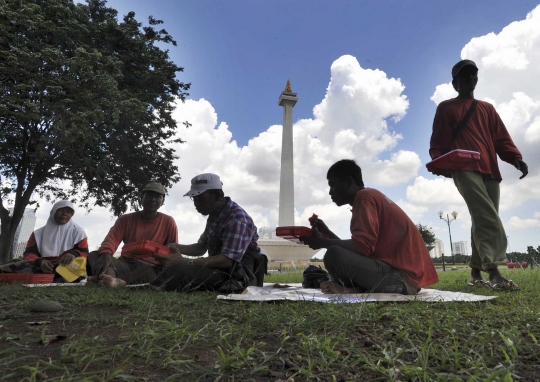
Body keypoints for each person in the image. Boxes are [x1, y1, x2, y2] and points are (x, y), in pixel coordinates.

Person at [429, 59, 528, 289]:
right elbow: (438, 140)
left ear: (477, 79)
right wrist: (438, 162)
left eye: (473, 75)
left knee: (480, 217)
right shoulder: (446, 107)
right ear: (455, 83)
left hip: (490, 169)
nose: (469, 79)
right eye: (464, 76)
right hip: (463, 168)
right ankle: (494, 272)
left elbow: (501, 138)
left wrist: (515, 157)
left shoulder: (487, 108)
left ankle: (475, 272)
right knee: (486, 215)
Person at [301, 160, 438, 295]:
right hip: (406, 278)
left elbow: (361, 247)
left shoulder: (363, 198)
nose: (330, 192)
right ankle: (356, 289)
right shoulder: (370, 196)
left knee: (333, 255)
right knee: (334, 251)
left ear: (348, 182)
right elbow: (360, 250)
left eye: (333, 185)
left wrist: (322, 242)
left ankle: (355, 289)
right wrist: (327, 233)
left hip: (404, 280)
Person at [151, 173, 266, 293]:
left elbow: (227, 260)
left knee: (180, 270)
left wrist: (186, 261)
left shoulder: (237, 219)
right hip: (221, 268)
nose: (196, 203)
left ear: (217, 195)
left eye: (201, 198)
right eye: (194, 198)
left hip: (239, 273)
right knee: (171, 269)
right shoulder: (214, 215)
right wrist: (172, 247)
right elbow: (201, 248)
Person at [88, 182, 178, 287]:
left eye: (158, 197)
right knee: (95, 255)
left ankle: (111, 281)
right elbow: (112, 239)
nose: (153, 199)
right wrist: (106, 254)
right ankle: (111, 280)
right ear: (141, 198)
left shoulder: (168, 221)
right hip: (126, 263)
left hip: (150, 266)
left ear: (162, 201)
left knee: (150, 272)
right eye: (149, 195)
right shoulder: (125, 219)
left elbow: (173, 250)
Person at [18, 201, 88, 280]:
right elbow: (29, 254)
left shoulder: (78, 232)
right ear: (53, 212)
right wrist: (40, 262)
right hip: (41, 265)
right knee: (14, 263)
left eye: (68, 212)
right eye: (61, 210)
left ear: (72, 215)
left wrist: (73, 254)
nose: (64, 214)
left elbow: (84, 253)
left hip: (65, 266)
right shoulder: (37, 234)